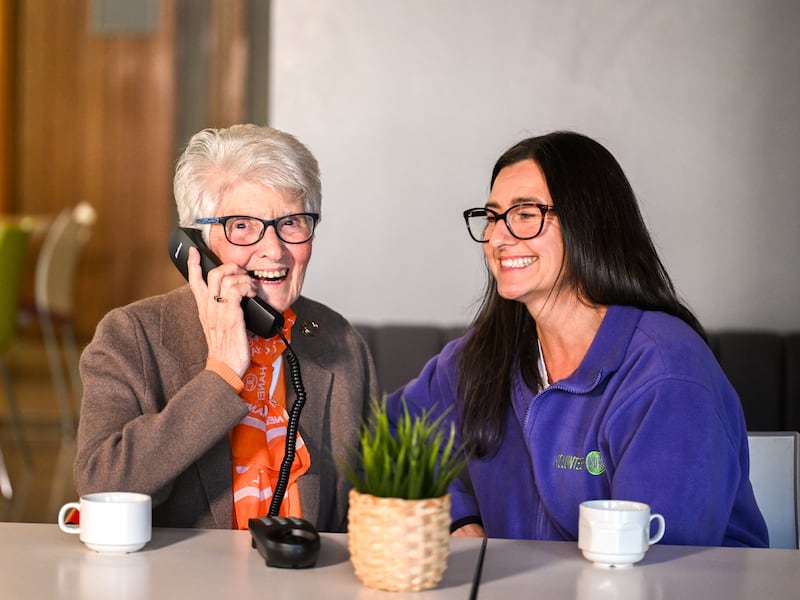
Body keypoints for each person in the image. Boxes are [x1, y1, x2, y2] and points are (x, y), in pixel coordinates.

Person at [387, 131, 768, 547]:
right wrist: (455, 518)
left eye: (525, 214)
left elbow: (660, 567)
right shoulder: (487, 353)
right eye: (493, 216)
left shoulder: (667, 373)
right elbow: (387, 432)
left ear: (588, 222)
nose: (498, 238)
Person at [75, 124, 377, 531]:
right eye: (242, 226)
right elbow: (100, 486)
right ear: (197, 246)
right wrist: (221, 374)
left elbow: (375, 504)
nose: (274, 249)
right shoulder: (131, 337)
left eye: (292, 222)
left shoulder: (339, 341)